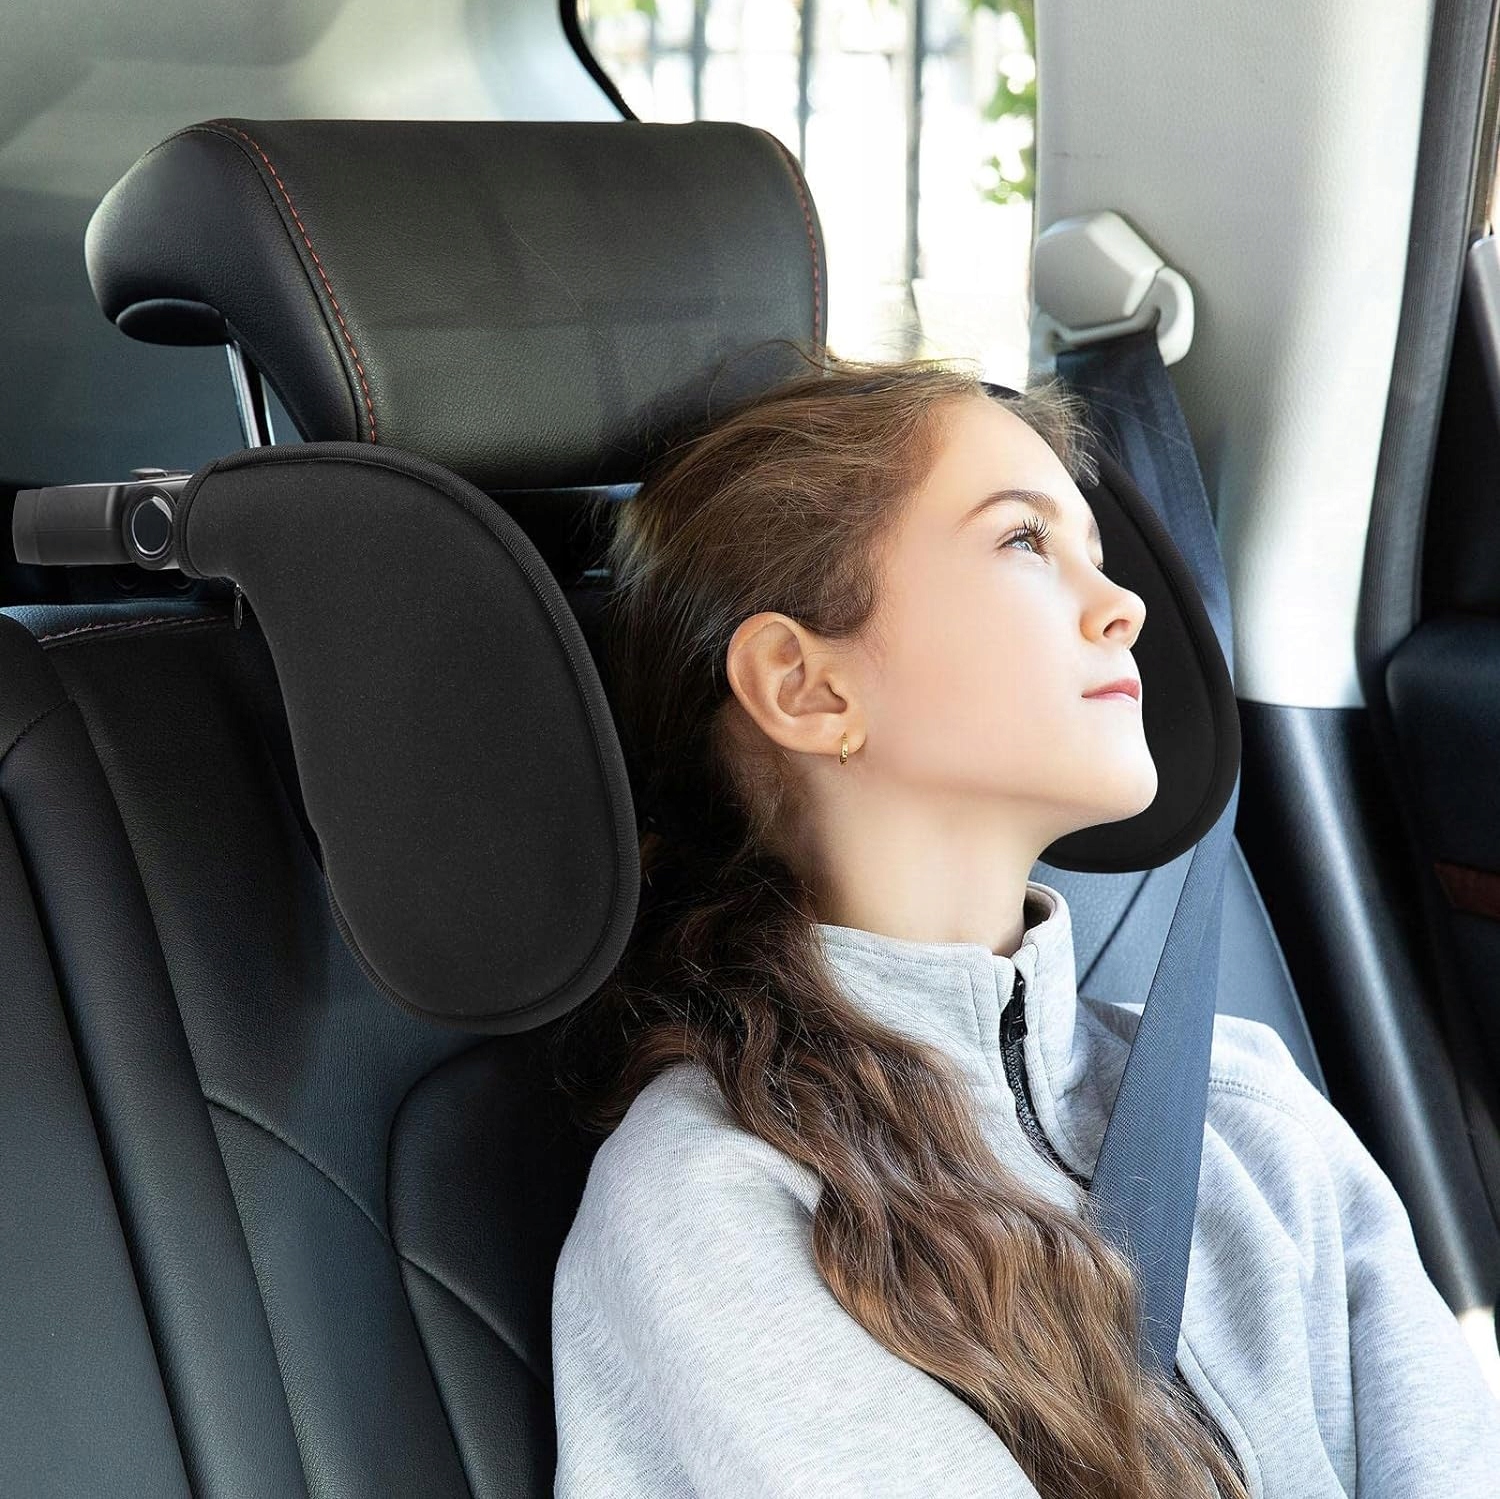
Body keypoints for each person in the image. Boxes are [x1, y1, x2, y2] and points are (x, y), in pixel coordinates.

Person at [546, 344, 1500, 1498]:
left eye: (1094, 551)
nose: (1125, 605)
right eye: (1023, 541)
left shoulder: (1243, 1112)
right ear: (807, 687)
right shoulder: (719, 1202)